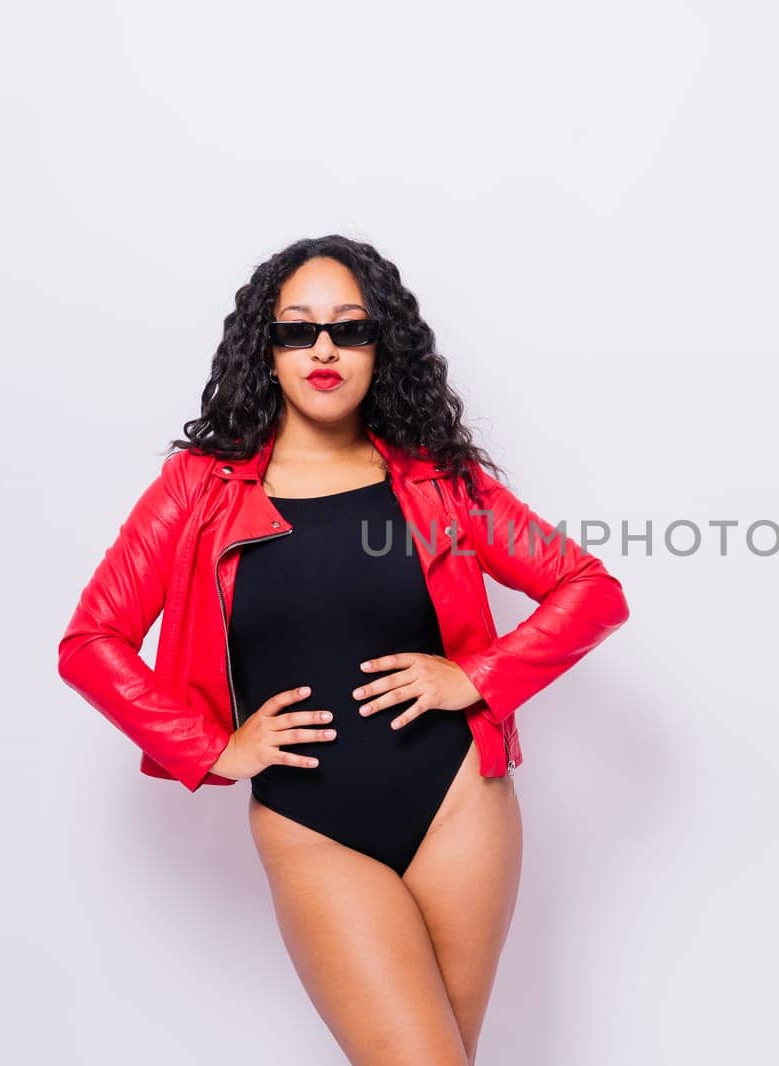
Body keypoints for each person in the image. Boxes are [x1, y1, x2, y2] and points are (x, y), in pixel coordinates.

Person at [56, 235, 631, 1064]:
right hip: (310, 822)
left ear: (378, 348)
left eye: (349, 329)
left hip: (458, 807)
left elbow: (589, 590)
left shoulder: (439, 478)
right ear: (268, 349)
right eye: (297, 330)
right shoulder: (197, 486)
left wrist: (476, 676)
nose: (323, 349)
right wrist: (216, 748)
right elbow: (91, 642)